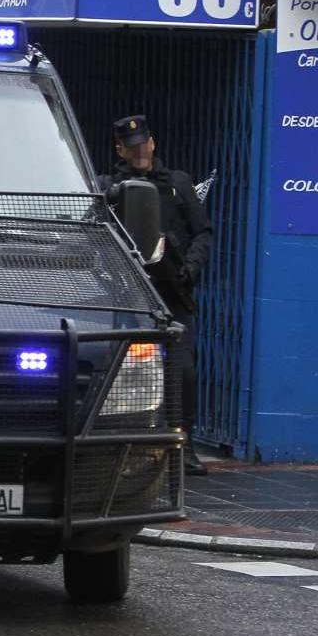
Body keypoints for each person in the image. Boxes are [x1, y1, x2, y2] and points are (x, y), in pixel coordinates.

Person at [109, 115, 212, 476]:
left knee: (182, 371)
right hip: (130, 293)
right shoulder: (112, 187)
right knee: (124, 370)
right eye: (131, 147)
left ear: (152, 144)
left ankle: (183, 444)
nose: (140, 152)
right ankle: (124, 444)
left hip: (172, 290)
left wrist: (192, 267)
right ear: (120, 149)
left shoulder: (177, 184)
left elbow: (203, 233)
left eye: (144, 144)